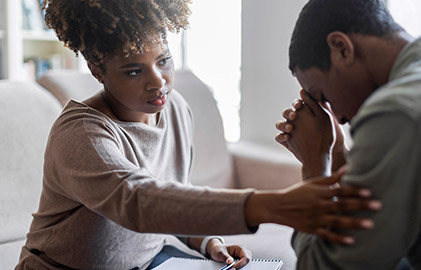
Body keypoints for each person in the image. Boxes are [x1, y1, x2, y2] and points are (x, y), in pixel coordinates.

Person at [16, 0, 382, 269]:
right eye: (132, 71)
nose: (158, 81)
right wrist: (271, 204)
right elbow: (138, 201)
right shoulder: (81, 132)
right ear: (97, 71)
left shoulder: (174, 110)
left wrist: (208, 242)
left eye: (163, 60)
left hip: (150, 262)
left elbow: (174, 199)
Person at [275, 0, 421, 269]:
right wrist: (337, 155)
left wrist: (315, 165)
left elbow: (328, 267)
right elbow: (399, 191)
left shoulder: (400, 111)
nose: (337, 117)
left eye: (323, 97)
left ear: (341, 48)